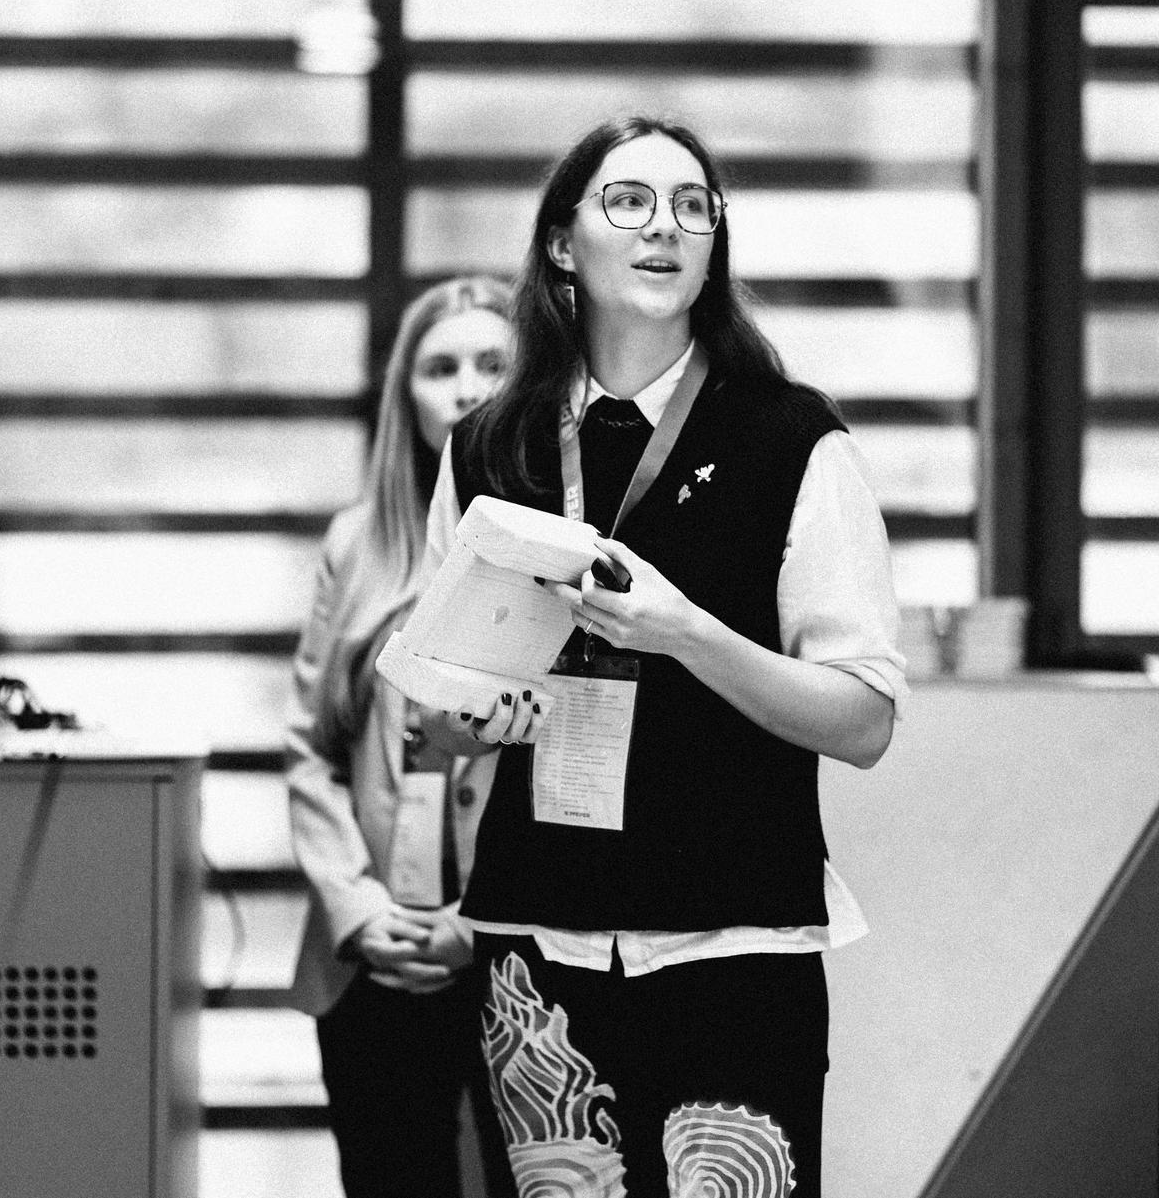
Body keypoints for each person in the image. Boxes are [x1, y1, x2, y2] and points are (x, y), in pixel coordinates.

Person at [419, 116, 906, 1198]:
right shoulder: (488, 447)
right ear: (562, 243)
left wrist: (686, 631)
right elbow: (439, 717)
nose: (666, 227)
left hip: (733, 947)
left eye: (693, 206)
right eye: (629, 201)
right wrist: (471, 720)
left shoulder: (794, 440)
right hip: (536, 946)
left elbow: (864, 719)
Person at [284, 275, 520, 1198]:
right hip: (368, 954)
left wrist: (478, 922)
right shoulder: (357, 544)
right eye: (440, 367)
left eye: (493, 363)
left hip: (509, 949)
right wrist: (355, 908)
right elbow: (310, 749)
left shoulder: (565, 544)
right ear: (406, 395)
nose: (467, 388)